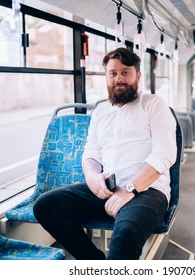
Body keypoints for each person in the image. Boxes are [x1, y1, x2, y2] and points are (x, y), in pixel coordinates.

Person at [33, 48, 177, 260]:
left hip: (147, 191)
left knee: (126, 233)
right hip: (108, 188)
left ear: (138, 75)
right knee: (46, 206)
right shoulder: (100, 112)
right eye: (113, 73)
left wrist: (130, 189)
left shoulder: (153, 104)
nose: (118, 78)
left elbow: (165, 153)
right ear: (106, 77)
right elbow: (91, 153)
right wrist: (92, 177)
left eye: (125, 72)